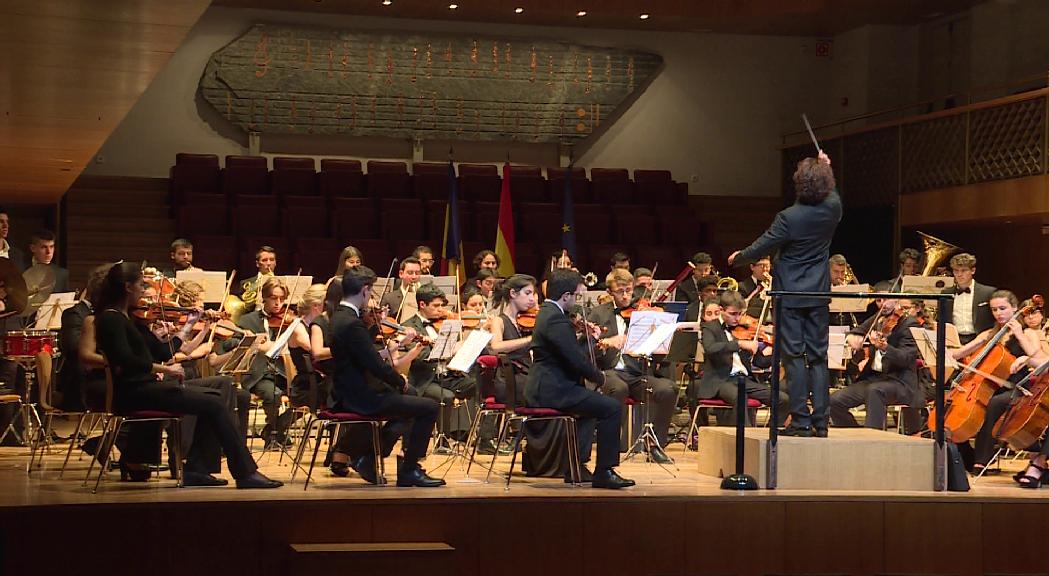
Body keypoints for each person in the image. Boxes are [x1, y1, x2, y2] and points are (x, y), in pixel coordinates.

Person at [92, 262, 281, 488]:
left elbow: (164, 350)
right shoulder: (110, 319)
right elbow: (125, 360)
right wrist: (165, 369)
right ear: (127, 287)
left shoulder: (130, 319)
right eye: (141, 285)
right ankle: (244, 472)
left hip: (146, 388)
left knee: (217, 396)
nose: (144, 291)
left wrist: (191, 323)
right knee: (214, 403)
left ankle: (197, 469)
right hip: (134, 392)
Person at [728, 151, 841, 437]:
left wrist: (738, 258)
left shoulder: (788, 217)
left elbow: (763, 246)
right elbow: (830, 193)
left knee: (793, 357)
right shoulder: (834, 207)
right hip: (817, 293)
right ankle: (821, 422)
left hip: (790, 294)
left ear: (799, 185)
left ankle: (801, 420)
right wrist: (827, 168)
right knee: (818, 357)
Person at [329, 266, 443, 487]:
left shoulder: (340, 317)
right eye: (370, 292)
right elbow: (376, 365)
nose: (370, 298)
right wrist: (399, 381)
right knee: (429, 407)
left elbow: (365, 357)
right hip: (360, 396)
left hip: (348, 390)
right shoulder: (352, 324)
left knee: (410, 403)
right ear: (364, 290)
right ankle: (409, 470)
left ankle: (369, 459)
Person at [525, 268, 634, 489]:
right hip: (552, 390)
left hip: (550, 386)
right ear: (565, 296)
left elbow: (568, 351)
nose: (576, 301)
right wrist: (601, 378)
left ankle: (575, 465)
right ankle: (604, 471)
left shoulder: (549, 313)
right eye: (575, 296)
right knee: (611, 407)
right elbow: (575, 360)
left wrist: (587, 338)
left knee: (592, 407)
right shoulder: (555, 319)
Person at [948, 290, 1041, 474]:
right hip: (990, 386)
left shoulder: (1028, 333)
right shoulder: (989, 334)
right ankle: (964, 454)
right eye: (994, 310)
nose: (999, 313)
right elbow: (956, 354)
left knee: (994, 403)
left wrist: (1019, 335)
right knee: (959, 409)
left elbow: (1038, 357)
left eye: (1003, 308)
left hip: (1018, 386)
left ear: (1015, 308)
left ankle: (982, 460)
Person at [588, 269, 676, 463]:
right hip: (609, 371)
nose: (626, 295)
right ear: (610, 292)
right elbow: (587, 348)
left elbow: (660, 355)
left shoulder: (643, 313)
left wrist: (656, 334)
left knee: (667, 389)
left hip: (636, 372)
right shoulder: (598, 313)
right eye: (620, 291)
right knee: (618, 388)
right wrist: (608, 341)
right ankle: (612, 445)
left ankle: (655, 445)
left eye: (629, 290)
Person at [214, 277, 295, 448]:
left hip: (284, 371)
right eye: (274, 298)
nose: (278, 303)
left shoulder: (289, 320)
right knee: (273, 394)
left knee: (307, 397)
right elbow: (228, 344)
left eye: (282, 299)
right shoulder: (248, 320)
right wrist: (247, 339)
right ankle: (274, 433)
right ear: (264, 298)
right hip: (260, 373)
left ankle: (275, 429)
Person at [698, 290, 789, 426]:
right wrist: (738, 343)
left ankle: (769, 435)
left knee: (782, 399)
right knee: (741, 398)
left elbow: (759, 362)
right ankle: (746, 441)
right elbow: (711, 348)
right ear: (721, 310)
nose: (737, 318)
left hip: (744, 379)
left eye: (740, 314)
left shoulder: (743, 330)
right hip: (722, 381)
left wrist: (779, 353)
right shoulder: (710, 327)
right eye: (733, 314)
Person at [829, 296, 920, 431]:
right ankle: (856, 435)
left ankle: (873, 438)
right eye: (879, 300)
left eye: (886, 299)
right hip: (874, 379)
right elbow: (858, 330)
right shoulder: (878, 318)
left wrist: (885, 348)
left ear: (897, 300)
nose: (882, 304)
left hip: (899, 381)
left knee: (875, 391)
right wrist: (852, 337)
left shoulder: (909, 323)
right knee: (834, 401)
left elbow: (906, 358)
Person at [401, 285, 476, 445]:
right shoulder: (410, 327)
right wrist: (444, 349)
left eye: (442, 305)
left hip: (448, 375)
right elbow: (420, 356)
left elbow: (454, 349)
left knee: (475, 384)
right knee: (446, 397)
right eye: (436, 306)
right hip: (425, 379)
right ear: (422, 305)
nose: (440, 310)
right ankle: (443, 440)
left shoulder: (446, 323)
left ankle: (467, 432)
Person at [939, 253, 996, 346]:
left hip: (981, 341)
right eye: (956, 271)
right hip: (954, 341)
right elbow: (942, 321)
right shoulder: (946, 293)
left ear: (973, 270)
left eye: (964, 270)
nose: (959, 275)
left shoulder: (988, 292)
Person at [234, 245, 278, 311]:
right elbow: (242, 308)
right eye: (264, 260)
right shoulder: (245, 284)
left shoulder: (283, 282)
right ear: (257, 264)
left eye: (271, 260)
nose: (269, 263)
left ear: (275, 263)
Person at [380, 256, 423, 322]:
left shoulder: (425, 297)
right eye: (410, 273)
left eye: (417, 273)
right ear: (401, 274)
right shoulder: (389, 298)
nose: (414, 277)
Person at [736, 256, 772, 320]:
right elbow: (740, 309)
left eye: (767, 266)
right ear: (752, 267)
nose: (765, 269)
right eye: (762, 266)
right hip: (749, 323)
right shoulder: (743, 286)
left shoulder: (774, 284)